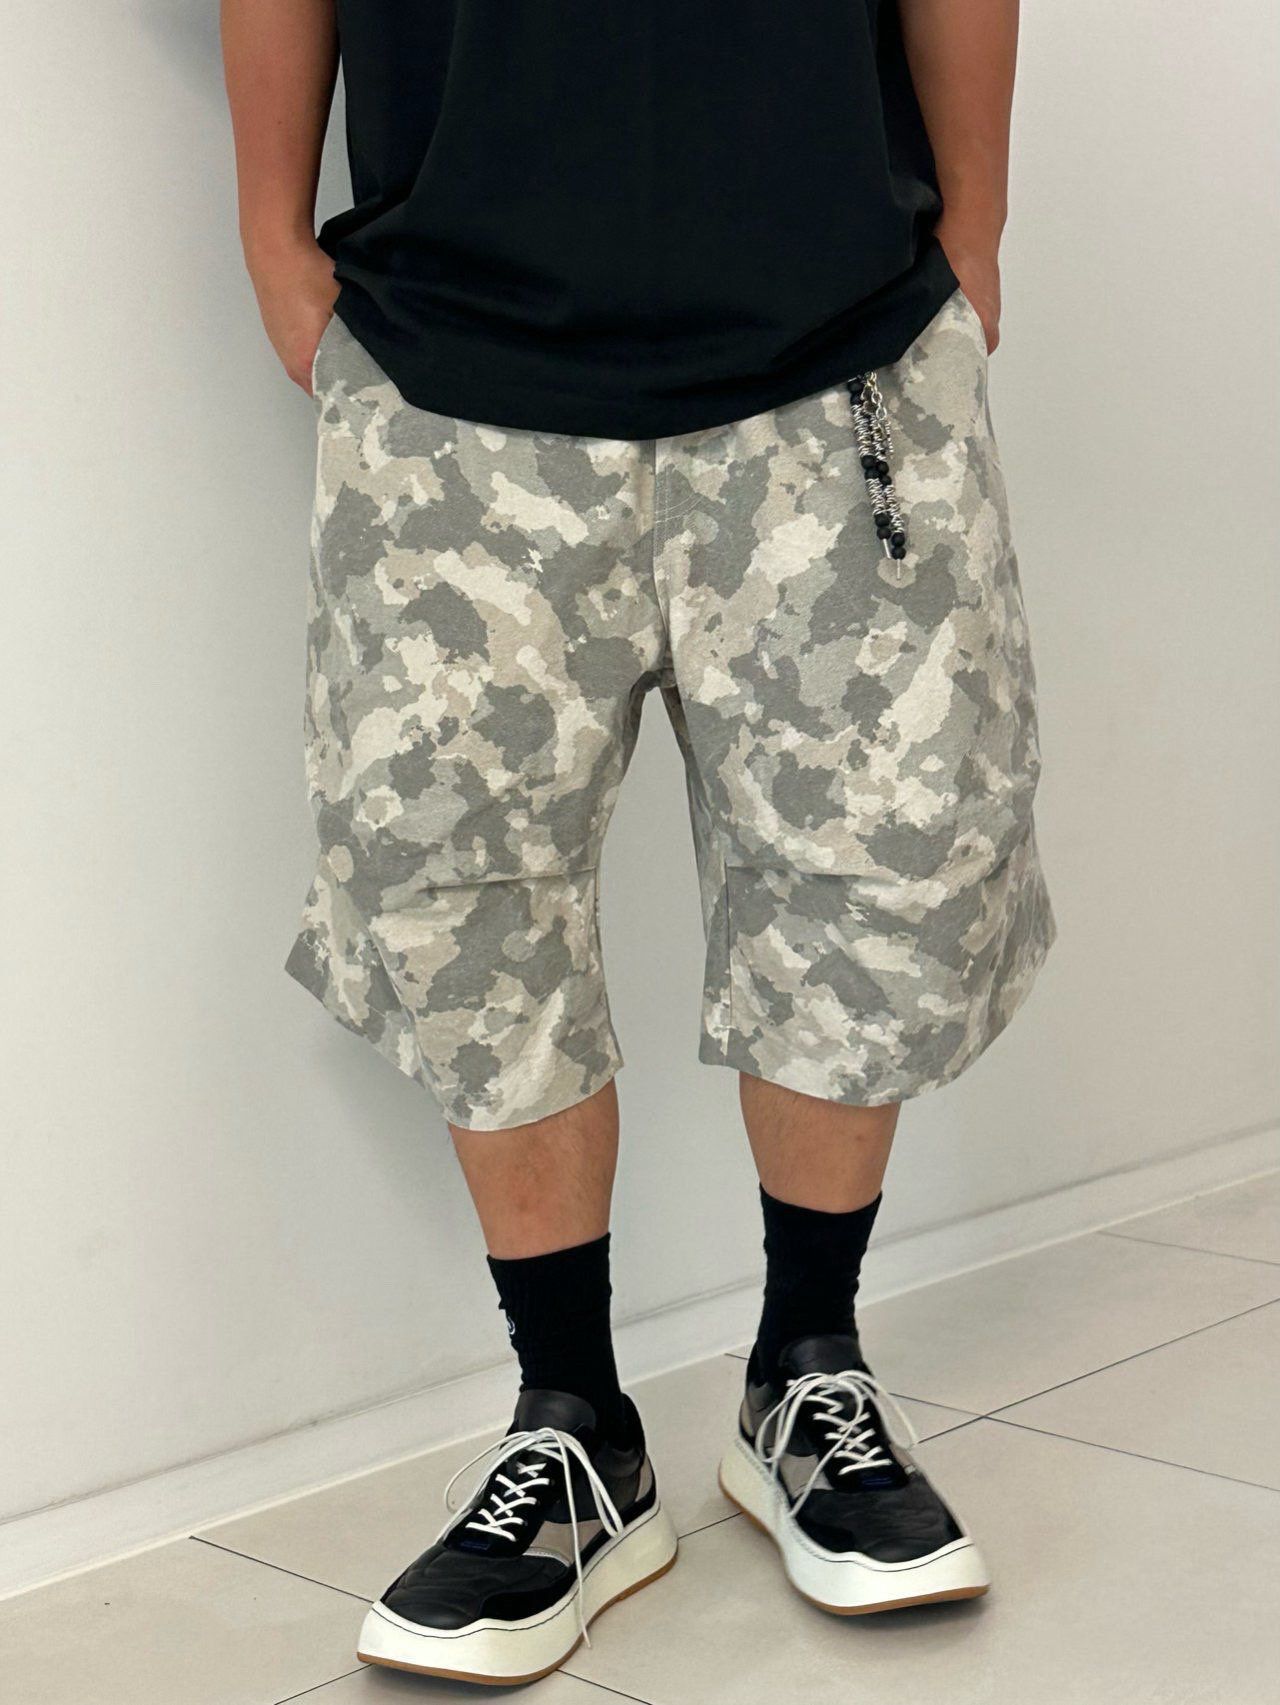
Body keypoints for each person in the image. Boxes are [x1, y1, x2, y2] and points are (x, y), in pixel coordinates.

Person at [223, 0, 1054, 1684]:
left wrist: (974, 234)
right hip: (453, 355)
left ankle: (806, 1368)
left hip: (838, 344)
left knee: (879, 872)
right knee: (458, 903)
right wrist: (271, 247)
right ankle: (575, 1424)